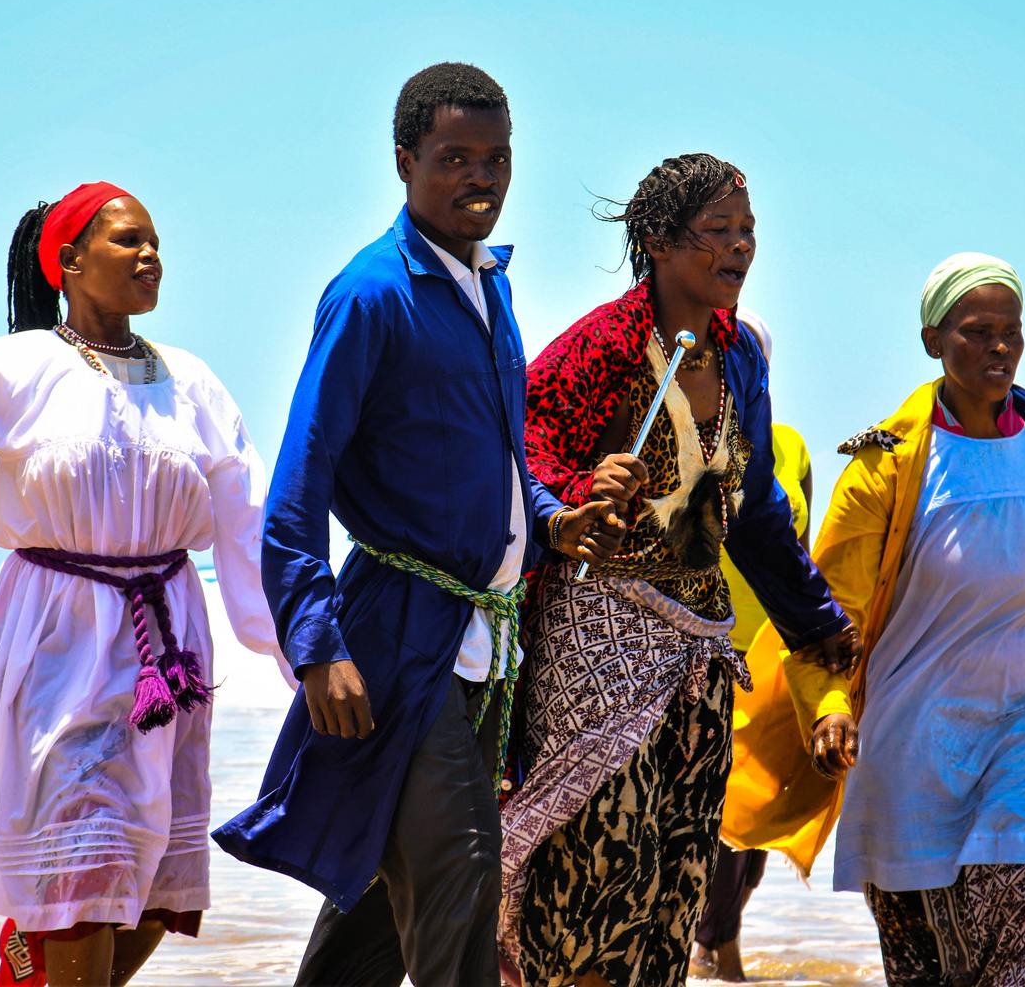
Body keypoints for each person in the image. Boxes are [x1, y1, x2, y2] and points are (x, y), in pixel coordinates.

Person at [212, 63, 624, 987]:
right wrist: (317, 649)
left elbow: (500, 459)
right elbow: (297, 490)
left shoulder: (490, 287)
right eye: (453, 159)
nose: (479, 177)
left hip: (484, 641)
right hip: (398, 637)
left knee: (379, 914)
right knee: (465, 873)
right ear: (404, 161)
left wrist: (552, 522)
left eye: (496, 158)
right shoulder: (371, 295)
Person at [0, 182, 284, 987]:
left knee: (147, 892)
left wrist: (302, 654)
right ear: (68, 260)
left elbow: (248, 528)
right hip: (59, 640)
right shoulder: (17, 365)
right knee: (78, 871)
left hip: (169, 649)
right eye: (126, 241)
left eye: (155, 241)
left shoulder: (194, 382)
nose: (150, 255)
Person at [500, 155, 860, 987]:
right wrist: (571, 505)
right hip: (599, 651)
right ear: (657, 244)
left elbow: (755, 509)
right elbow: (517, 456)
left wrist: (816, 627)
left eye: (749, 233)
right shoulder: (602, 348)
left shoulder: (738, 359)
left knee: (671, 897)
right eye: (718, 233)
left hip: (698, 663)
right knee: (596, 883)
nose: (739, 249)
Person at [811, 253, 1025, 985]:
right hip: (917, 733)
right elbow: (835, 609)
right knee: (928, 959)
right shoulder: (886, 464)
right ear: (933, 339)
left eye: (1011, 331)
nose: (999, 347)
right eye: (977, 331)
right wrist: (832, 702)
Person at [688, 309, 832, 983]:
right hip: (704, 653)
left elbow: (796, 552)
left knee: (761, 819)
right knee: (717, 814)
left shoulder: (792, 446)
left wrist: (818, 638)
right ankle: (717, 946)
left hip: (770, 656)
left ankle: (720, 940)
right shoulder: (685, 441)